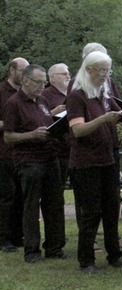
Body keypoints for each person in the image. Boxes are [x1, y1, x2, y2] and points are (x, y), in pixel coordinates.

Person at [67, 51, 122, 274]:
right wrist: (103, 119)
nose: (106, 75)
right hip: (87, 163)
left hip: (108, 160)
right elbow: (78, 130)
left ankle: (114, 253)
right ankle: (86, 260)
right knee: (91, 212)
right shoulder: (77, 96)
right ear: (89, 69)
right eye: (102, 70)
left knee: (110, 208)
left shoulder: (104, 95)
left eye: (108, 70)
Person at [3, 64, 66, 263]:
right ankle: (32, 250)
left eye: (44, 82)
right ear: (26, 80)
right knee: (31, 205)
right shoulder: (13, 103)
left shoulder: (43, 100)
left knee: (55, 204)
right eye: (38, 82)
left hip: (50, 157)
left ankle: (55, 247)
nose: (42, 86)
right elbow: (8, 137)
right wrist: (32, 135)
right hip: (29, 161)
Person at [0, 57, 28, 253]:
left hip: (23, 152)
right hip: (3, 152)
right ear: (12, 70)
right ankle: (4, 238)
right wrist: (12, 123)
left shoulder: (26, 94)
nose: (25, 75)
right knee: (6, 195)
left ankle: (18, 235)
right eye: (22, 70)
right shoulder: (1, 92)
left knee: (21, 195)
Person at [42, 63, 72, 205]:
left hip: (73, 148)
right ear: (52, 78)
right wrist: (54, 112)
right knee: (55, 192)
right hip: (56, 151)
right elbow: (38, 118)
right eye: (64, 74)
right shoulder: (45, 95)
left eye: (68, 73)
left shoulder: (73, 93)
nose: (68, 76)